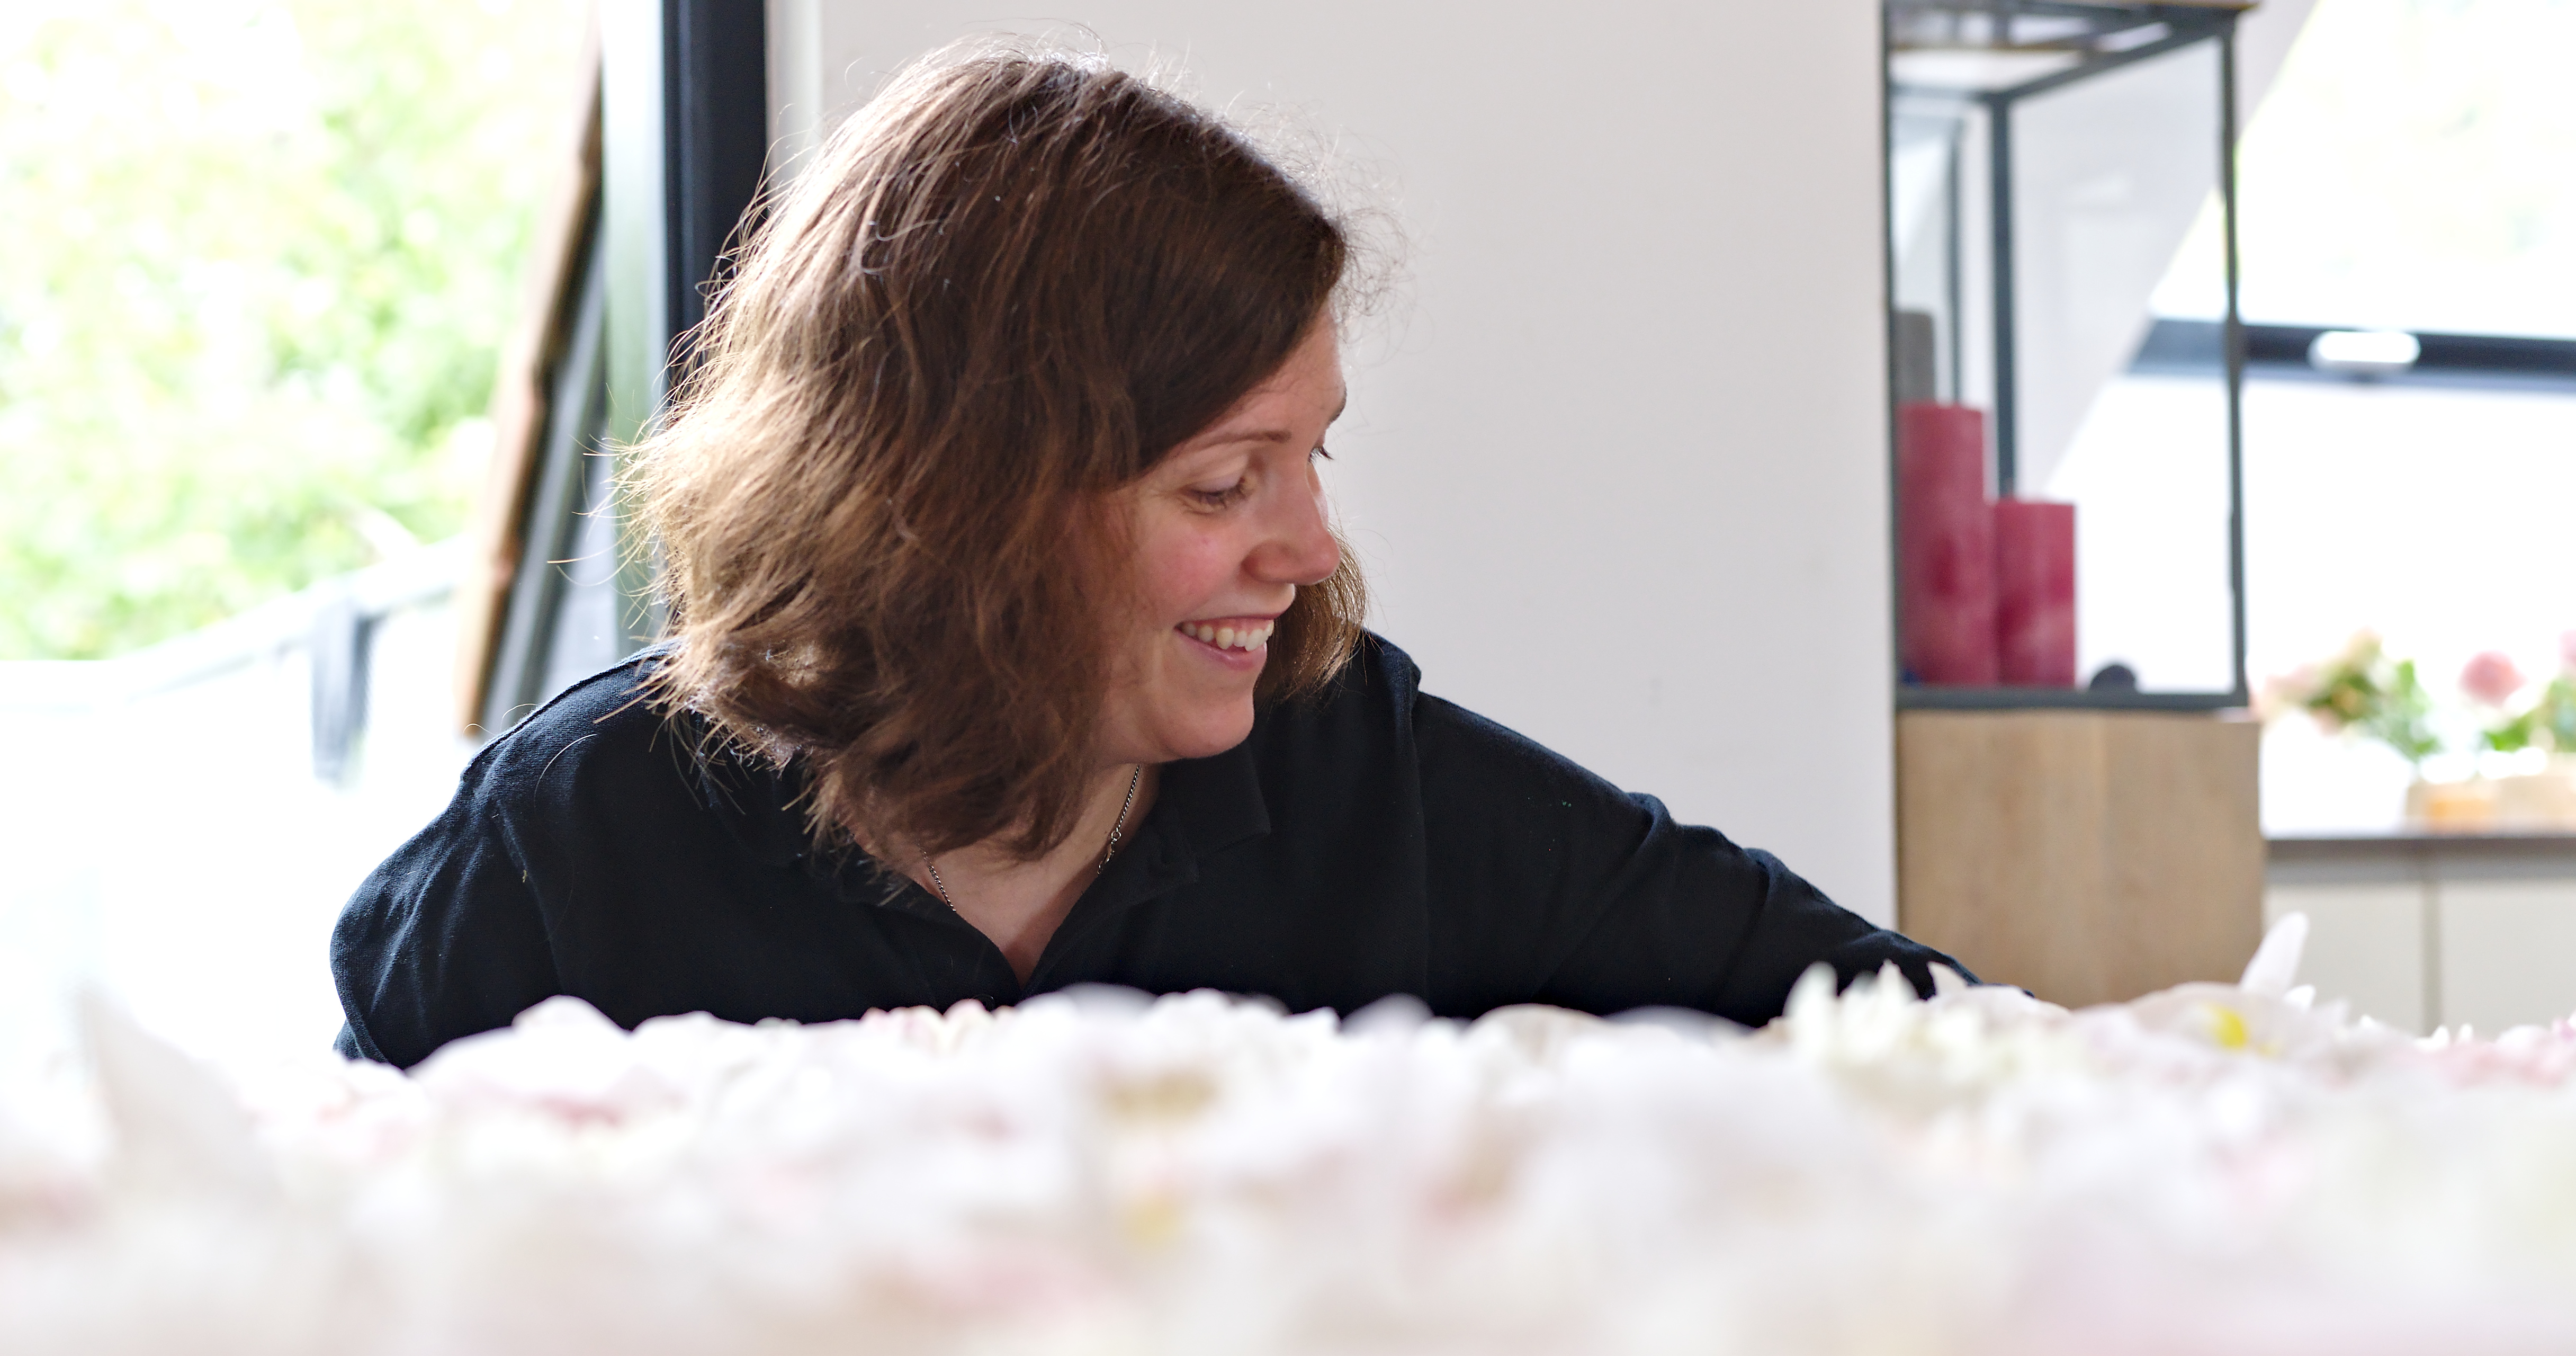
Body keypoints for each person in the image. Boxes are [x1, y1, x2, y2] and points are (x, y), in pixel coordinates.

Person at [333, 46, 1964, 1069]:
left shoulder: (1366, 783)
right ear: (958, 507)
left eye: (1310, 458)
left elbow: (1920, 1037)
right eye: (1223, 484)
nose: (1308, 548)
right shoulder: (564, 856)